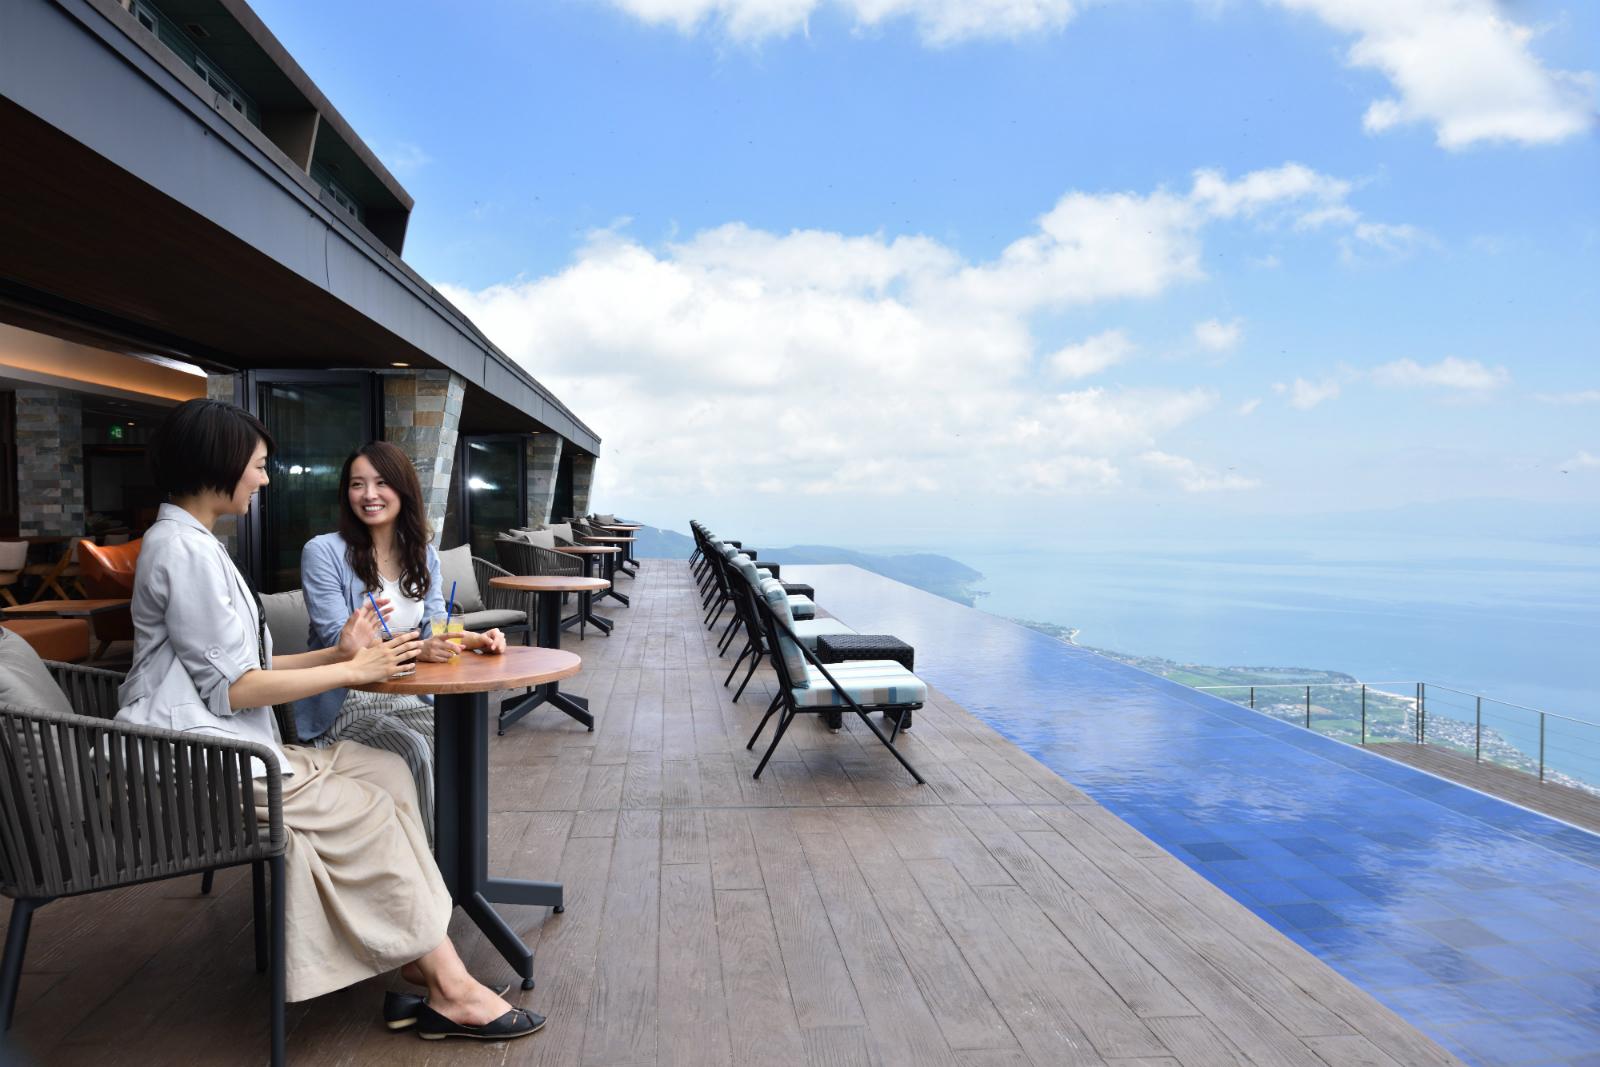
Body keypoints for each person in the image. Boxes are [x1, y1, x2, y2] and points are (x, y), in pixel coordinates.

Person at [115, 399, 541, 1041]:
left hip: (233, 742)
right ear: (219, 464)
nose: (264, 480)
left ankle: (419, 958)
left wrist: (341, 655)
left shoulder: (194, 544)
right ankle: (453, 990)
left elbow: (248, 664)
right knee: (372, 805)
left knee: (388, 772)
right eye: (259, 465)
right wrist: (350, 672)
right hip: (206, 757)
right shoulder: (184, 552)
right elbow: (236, 689)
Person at [296, 441, 506, 838]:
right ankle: (427, 866)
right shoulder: (323, 552)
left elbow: (434, 626)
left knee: (459, 741)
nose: (369, 494)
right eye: (357, 484)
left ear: (402, 489)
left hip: (409, 695)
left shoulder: (423, 554)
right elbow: (341, 645)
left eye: (381, 483)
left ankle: (459, 859)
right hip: (348, 700)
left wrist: (475, 639)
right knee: (417, 749)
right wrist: (419, 650)